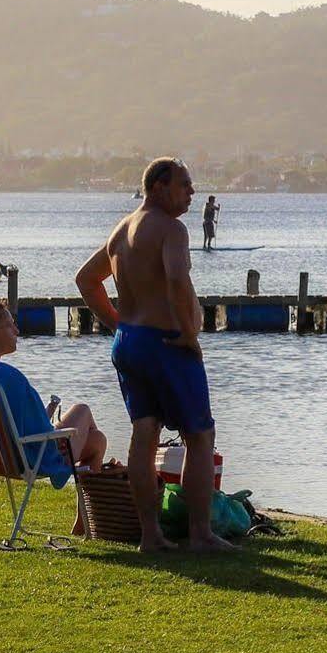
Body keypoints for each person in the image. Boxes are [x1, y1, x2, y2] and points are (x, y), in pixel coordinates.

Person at [75, 157, 232, 554]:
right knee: (200, 435)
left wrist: (119, 324)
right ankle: (200, 534)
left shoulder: (122, 229)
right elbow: (178, 280)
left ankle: (151, 535)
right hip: (165, 343)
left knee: (145, 435)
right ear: (160, 186)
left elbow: (86, 280)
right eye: (185, 184)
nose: (192, 192)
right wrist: (187, 334)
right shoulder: (172, 229)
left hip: (131, 342)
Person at [0, 298, 108, 526]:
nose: (17, 330)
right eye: (9, 325)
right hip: (29, 459)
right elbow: (41, 431)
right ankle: (88, 522)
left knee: (97, 441)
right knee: (82, 411)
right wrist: (56, 429)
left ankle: (83, 525)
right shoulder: (9, 378)